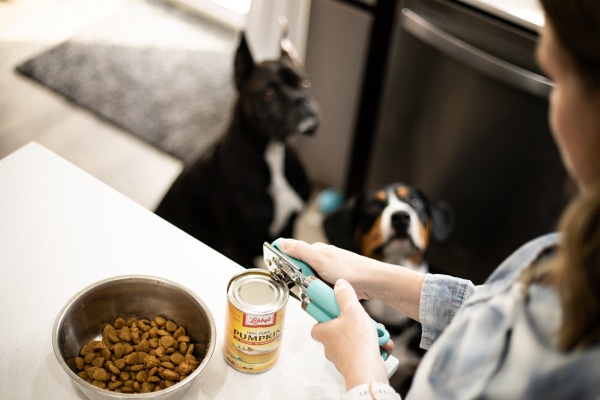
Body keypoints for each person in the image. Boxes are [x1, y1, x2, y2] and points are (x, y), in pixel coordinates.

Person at [279, 0, 600, 398]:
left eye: (558, 76)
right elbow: (491, 308)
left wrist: (362, 370)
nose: (553, 103)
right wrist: (362, 271)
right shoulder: (562, 250)